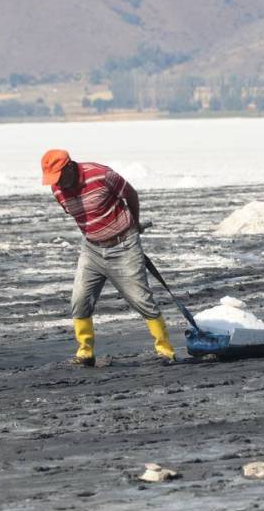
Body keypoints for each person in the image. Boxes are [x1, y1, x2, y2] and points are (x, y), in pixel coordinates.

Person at [41, 149, 175, 366]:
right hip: (91, 250)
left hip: (124, 246)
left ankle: (165, 350)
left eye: (58, 177)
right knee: (79, 300)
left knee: (141, 299)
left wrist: (134, 225)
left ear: (69, 167)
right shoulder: (57, 189)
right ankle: (85, 352)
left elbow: (131, 195)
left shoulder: (102, 175)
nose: (56, 183)